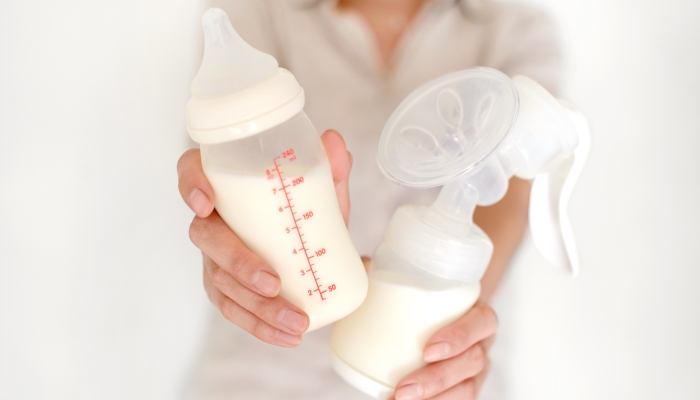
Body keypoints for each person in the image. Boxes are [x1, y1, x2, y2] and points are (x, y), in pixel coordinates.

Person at [177, 0, 561, 398]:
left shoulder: (514, 32)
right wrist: (225, 240)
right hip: (265, 374)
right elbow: (225, 186)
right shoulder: (257, 13)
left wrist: (447, 315)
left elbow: (511, 201)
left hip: (430, 376)